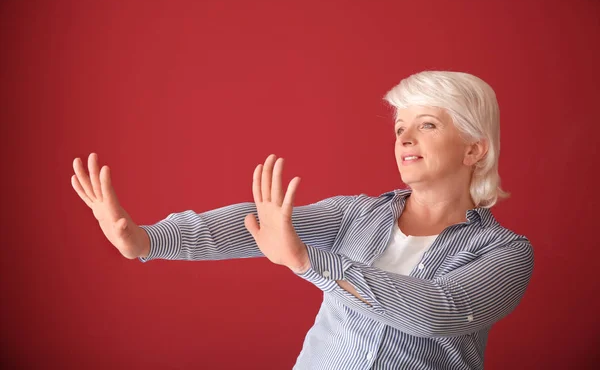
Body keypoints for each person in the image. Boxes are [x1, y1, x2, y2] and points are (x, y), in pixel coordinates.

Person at [71, 70, 534, 369]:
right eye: (399, 128)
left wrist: (307, 262)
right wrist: (148, 240)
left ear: (475, 148)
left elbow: (437, 312)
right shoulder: (358, 215)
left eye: (427, 125)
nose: (404, 138)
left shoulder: (506, 253)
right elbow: (253, 225)